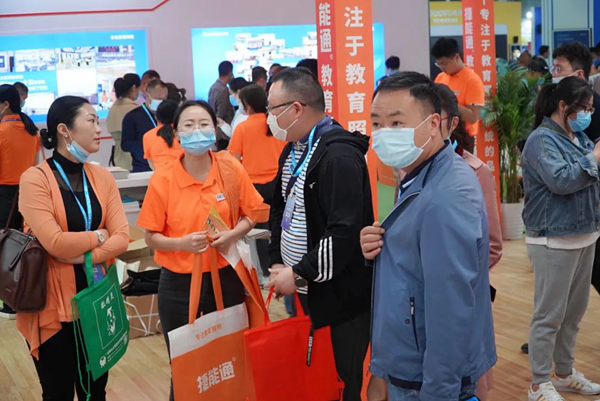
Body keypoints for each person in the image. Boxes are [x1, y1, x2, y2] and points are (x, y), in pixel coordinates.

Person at [361, 71, 496, 401]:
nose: (384, 133)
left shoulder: (445, 195)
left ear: (434, 123)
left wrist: (439, 392)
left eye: (397, 123)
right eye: (377, 124)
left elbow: (450, 310)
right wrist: (381, 244)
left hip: (426, 377)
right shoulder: (420, 173)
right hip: (410, 358)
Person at [136, 100, 269, 400]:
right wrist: (181, 244)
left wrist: (232, 234)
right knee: (186, 365)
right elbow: (151, 236)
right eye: (189, 125)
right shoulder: (164, 178)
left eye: (204, 124)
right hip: (179, 285)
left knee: (230, 358)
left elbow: (251, 214)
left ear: (215, 128)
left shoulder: (230, 167)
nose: (197, 130)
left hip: (227, 276)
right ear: (176, 133)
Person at [265, 68, 374, 401]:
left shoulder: (339, 157)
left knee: (341, 379)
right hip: (302, 285)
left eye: (272, 109)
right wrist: (278, 261)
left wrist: (299, 272)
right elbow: (279, 207)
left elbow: (343, 234)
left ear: (296, 109)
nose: (268, 118)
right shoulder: (293, 149)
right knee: (313, 376)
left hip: (338, 296)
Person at [18, 95, 129, 400]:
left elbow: (122, 236)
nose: (98, 128)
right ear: (64, 130)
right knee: (58, 392)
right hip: (54, 306)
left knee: (96, 391)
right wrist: (100, 236)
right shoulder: (35, 179)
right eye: (91, 120)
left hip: (97, 300)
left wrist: (81, 256)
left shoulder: (101, 177)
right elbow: (54, 243)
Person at [522, 77, 600, 400]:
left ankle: (564, 373)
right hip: (552, 239)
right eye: (584, 108)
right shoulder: (541, 141)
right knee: (549, 316)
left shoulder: (579, 138)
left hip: (585, 235)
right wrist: (594, 159)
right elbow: (561, 180)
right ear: (563, 106)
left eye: (592, 109)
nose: (588, 115)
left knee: (573, 314)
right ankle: (539, 383)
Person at [550, 42, 600, 296]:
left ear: (579, 75)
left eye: (559, 69)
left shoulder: (590, 116)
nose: (553, 74)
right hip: (570, 220)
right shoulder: (554, 111)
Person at [229, 84, 285, 282]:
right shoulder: (277, 124)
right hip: (279, 183)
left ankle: (266, 273)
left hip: (253, 187)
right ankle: (282, 266)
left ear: (248, 105)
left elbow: (234, 161)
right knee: (280, 226)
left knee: (260, 232)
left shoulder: (242, 128)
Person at [0, 84, 39, 320]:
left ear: (5, 105)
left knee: (4, 248)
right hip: (27, 192)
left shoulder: (2, 131)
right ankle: (20, 297)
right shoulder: (31, 130)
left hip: (4, 194)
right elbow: (36, 164)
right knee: (21, 247)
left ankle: (9, 301)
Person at [432, 37, 485, 153]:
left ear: (456, 57)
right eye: (439, 64)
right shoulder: (441, 78)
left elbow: (473, 117)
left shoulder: (472, 81)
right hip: (441, 135)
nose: (442, 68)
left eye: (444, 63)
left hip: (462, 138)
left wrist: (449, 101)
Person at [121, 79, 168, 172]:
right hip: (143, 168)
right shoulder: (132, 116)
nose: (162, 102)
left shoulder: (168, 115)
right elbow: (125, 144)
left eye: (164, 99)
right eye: (158, 98)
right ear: (147, 96)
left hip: (166, 166)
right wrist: (147, 145)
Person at [106, 73, 141, 170]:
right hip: (134, 157)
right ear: (134, 88)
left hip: (118, 157)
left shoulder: (113, 109)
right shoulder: (135, 110)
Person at [143, 99, 182, 171]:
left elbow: (151, 162)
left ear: (157, 118)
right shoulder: (184, 132)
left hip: (160, 175)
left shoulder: (148, 136)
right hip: (183, 174)